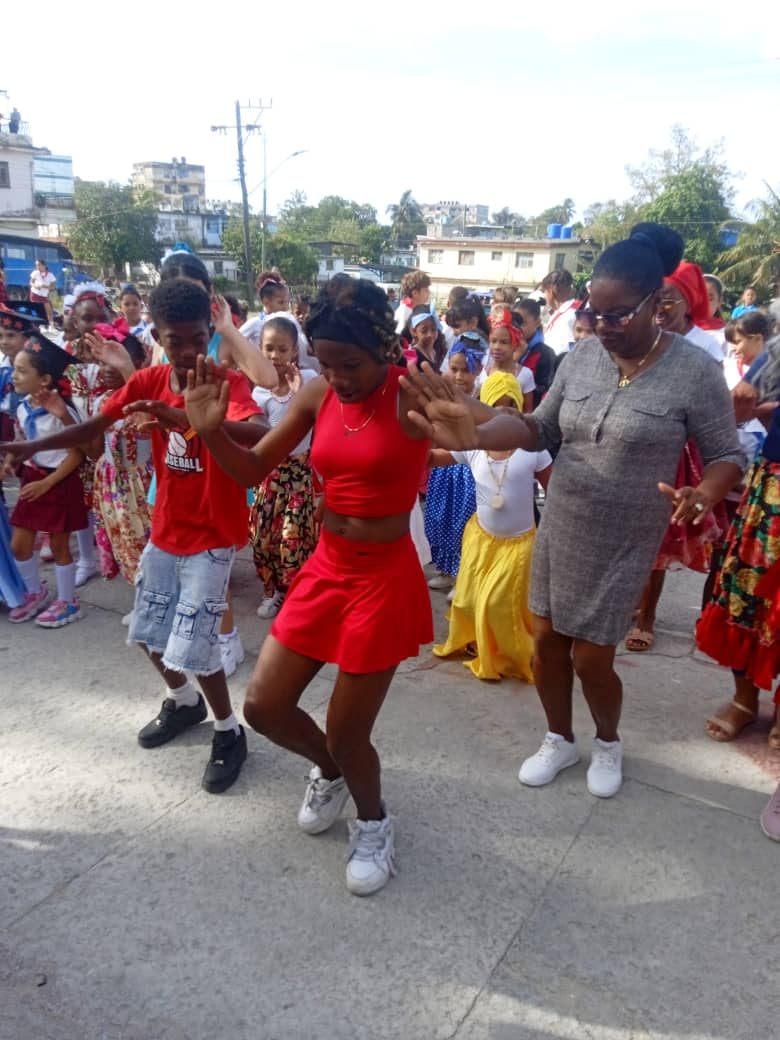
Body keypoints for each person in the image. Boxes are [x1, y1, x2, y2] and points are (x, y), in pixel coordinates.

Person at [400, 222, 743, 799]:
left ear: (657, 304)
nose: (603, 328)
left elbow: (727, 454)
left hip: (625, 536)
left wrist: (704, 492)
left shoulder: (694, 372)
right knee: (546, 644)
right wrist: (478, 428)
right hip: (561, 523)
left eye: (619, 316)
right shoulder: (582, 358)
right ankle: (559, 738)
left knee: (591, 658)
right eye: (596, 314)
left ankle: (607, 741)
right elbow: (538, 428)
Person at [182, 276, 433, 895]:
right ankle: (329, 769)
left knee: (352, 732)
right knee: (264, 707)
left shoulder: (410, 394)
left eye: (352, 363)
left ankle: (374, 823)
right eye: (328, 360)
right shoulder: (318, 395)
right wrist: (211, 429)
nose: (340, 375)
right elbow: (253, 467)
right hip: (326, 567)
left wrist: (495, 434)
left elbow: (493, 427)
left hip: (382, 578)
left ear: (384, 348)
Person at [0, 280, 268, 793]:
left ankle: (229, 731)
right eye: (174, 339)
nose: (186, 351)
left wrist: (191, 419)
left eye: (195, 337)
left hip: (212, 535)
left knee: (196, 644)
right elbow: (92, 427)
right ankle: (184, 703)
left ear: (210, 333)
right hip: (166, 528)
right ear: (159, 337)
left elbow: (262, 438)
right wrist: (28, 445)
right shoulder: (150, 379)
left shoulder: (224, 383)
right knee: (148, 631)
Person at [626, 261, 728, 650]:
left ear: (689, 302)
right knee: (632, 536)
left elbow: (713, 409)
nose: (661, 309)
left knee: (659, 539)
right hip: (638, 448)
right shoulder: (645, 339)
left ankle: (647, 617)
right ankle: (631, 605)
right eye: (656, 301)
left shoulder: (705, 345)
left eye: (669, 301)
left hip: (679, 453)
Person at [431, 371, 552, 680]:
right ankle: (479, 642)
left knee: (499, 603)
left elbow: (555, 490)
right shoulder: (472, 445)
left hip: (519, 544)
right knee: (469, 601)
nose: (502, 412)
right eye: (494, 405)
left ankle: (510, 653)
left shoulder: (532, 450)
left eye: (510, 404)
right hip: (480, 538)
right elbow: (435, 457)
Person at [697, 330, 780, 756]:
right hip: (774, 487)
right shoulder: (778, 350)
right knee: (745, 593)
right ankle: (744, 700)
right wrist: (756, 407)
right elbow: (741, 405)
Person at [5, 331, 87, 627]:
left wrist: (47, 483)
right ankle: (35, 592)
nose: (14, 375)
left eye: (22, 370)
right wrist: (10, 462)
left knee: (60, 545)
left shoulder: (62, 414)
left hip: (59, 482)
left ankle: (68, 601)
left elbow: (77, 455)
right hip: (33, 479)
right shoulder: (23, 406)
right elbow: (24, 440)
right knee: (20, 545)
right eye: (14, 368)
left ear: (45, 381)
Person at [249, 316, 319, 620]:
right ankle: (272, 591)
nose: (275, 356)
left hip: (301, 475)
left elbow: (320, 418)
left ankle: (295, 595)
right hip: (270, 475)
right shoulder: (259, 391)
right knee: (263, 538)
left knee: (294, 538)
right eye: (268, 349)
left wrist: (299, 389)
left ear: (294, 350)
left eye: (282, 349)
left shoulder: (310, 379)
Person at [85, 329, 153, 584]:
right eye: (102, 363)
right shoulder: (102, 399)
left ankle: (160, 595)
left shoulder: (146, 399)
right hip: (111, 481)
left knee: (146, 539)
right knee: (123, 539)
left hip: (141, 482)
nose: (107, 369)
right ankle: (141, 595)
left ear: (136, 363)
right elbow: (93, 450)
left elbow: (152, 421)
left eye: (115, 362)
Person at [425, 337, 484, 594]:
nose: (459, 376)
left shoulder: (482, 399)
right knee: (440, 517)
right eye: (454, 369)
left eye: (465, 370)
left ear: (478, 370)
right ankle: (447, 570)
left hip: (466, 469)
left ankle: (463, 577)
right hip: (444, 467)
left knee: (463, 520)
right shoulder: (443, 394)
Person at [486, 308, 535, 410]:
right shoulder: (483, 372)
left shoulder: (525, 374)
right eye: (493, 341)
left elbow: (528, 411)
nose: (497, 347)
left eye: (504, 342)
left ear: (515, 344)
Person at [512, 298, 557, 406]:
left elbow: (544, 391)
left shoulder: (545, 354)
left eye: (523, 324)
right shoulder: (507, 345)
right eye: (514, 323)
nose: (517, 328)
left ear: (537, 322)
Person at [541, 269, 580, 356]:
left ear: (551, 292)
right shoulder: (571, 310)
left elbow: (560, 351)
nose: (545, 296)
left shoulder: (568, 316)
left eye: (545, 292)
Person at [407, 306, 447, 370]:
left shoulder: (437, 351)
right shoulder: (413, 356)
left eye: (433, 329)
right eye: (424, 331)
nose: (430, 335)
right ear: (414, 331)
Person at [395, 269, 432, 335]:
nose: (429, 292)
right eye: (426, 290)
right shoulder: (405, 311)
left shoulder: (418, 309)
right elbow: (399, 336)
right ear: (415, 293)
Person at [701, 274, 727, 352]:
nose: (703, 303)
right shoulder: (679, 329)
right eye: (699, 297)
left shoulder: (726, 336)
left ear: (720, 301)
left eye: (710, 299)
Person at [29, 260, 57, 324]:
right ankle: (36, 325)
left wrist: (44, 286)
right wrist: (36, 286)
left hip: (44, 296)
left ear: (44, 265)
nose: (37, 266)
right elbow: (31, 282)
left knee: (49, 311)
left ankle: (51, 325)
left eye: (39, 265)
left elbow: (53, 287)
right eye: (36, 265)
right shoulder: (35, 273)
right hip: (35, 294)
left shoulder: (50, 275)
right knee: (36, 311)